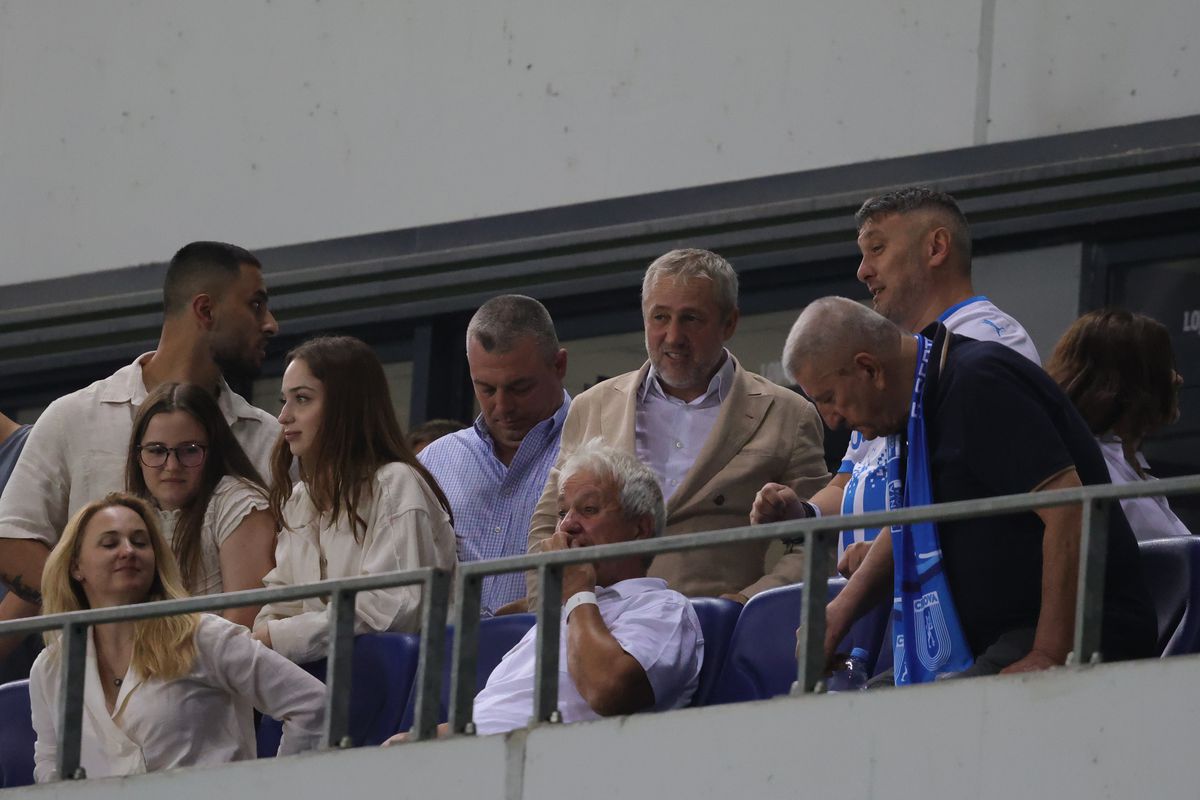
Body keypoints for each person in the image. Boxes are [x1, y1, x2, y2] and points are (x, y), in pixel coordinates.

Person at [785, 297, 1156, 680]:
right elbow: (911, 519)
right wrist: (838, 613)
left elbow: (1070, 509)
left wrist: (1048, 652)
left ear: (869, 369)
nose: (831, 421)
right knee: (861, 709)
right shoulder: (920, 401)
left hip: (1071, 633)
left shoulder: (980, 383)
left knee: (901, 714)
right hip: (984, 640)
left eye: (828, 399)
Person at [0, 241, 281, 651]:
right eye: (255, 305)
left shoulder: (270, 437)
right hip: (86, 682)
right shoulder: (74, 416)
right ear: (205, 310)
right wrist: (103, 614)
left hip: (221, 678)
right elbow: (11, 540)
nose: (271, 324)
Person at [753, 187, 1040, 578]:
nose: (862, 271)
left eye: (877, 249)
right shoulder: (894, 362)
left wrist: (890, 552)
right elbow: (852, 480)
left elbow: (958, 487)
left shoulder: (988, 345)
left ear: (936, 247)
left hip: (940, 591)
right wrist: (805, 512)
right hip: (880, 594)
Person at [527, 248, 829, 605]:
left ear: (729, 323)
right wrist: (552, 612)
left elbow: (818, 539)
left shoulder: (789, 414)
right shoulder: (591, 406)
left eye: (691, 319)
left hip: (718, 627)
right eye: (660, 317)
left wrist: (746, 605)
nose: (673, 336)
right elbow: (547, 527)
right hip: (603, 625)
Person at [389, 440, 702, 740]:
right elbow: (492, 714)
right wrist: (420, 738)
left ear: (640, 528)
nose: (567, 526)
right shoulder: (556, 619)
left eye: (589, 509)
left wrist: (578, 593)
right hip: (477, 754)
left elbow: (608, 691)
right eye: (562, 513)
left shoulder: (663, 608)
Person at [29, 493, 324, 781]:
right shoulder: (50, 666)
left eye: (140, 542)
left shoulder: (203, 635)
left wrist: (277, 787)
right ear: (76, 567)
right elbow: (50, 760)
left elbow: (313, 705)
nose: (128, 551)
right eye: (110, 543)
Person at [252, 336, 457, 663]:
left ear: (345, 406)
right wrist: (272, 634)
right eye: (284, 400)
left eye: (302, 399)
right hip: (328, 680)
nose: (283, 416)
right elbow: (278, 606)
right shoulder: (299, 499)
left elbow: (393, 607)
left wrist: (279, 637)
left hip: (405, 683)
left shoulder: (395, 482)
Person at [418, 295, 570, 616]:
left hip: (553, 645)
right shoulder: (433, 463)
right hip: (450, 647)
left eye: (519, 388)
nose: (502, 407)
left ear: (559, 366)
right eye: (486, 388)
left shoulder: (595, 449)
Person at [125, 382, 276, 627]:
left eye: (190, 450)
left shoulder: (239, 502)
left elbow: (244, 623)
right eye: (157, 450)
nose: (172, 466)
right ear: (137, 456)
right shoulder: (130, 513)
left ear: (214, 451)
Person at [1047, 309, 1191, 540]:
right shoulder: (1089, 470)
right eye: (1163, 366)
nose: (1177, 379)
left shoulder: (1126, 469)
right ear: (1132, 382)